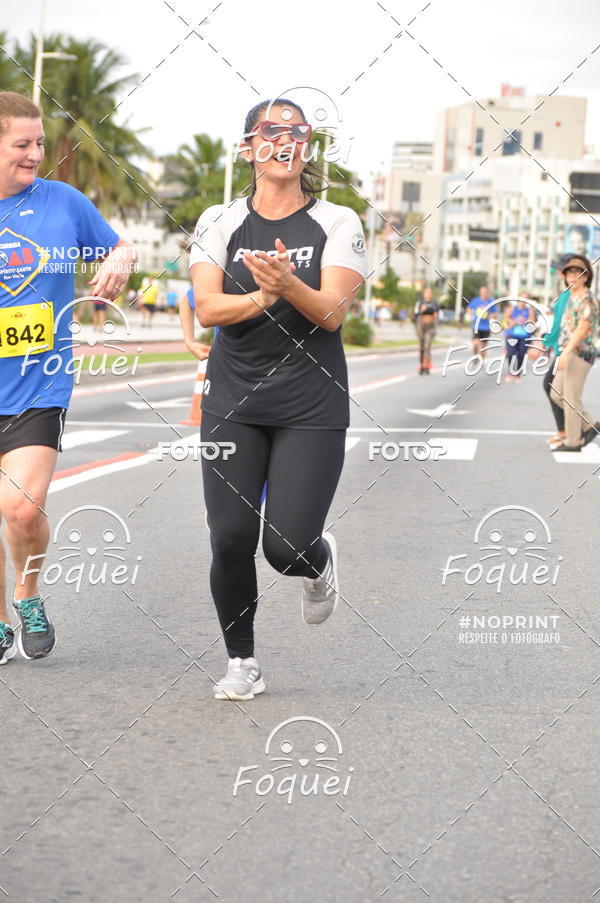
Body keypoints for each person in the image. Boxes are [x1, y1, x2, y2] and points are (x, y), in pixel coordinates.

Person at [189, 97, 366, 701]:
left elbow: (336, 313)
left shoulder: (338, 222)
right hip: (233, 401)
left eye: (297, 133)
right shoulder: (218, 221)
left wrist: (288, 282)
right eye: (271, 131)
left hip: (310, 405)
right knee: (230, 537)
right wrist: (264, 299)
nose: (285, 141)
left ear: (307, 148)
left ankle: (317, 562)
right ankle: (243, 662)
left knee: (286, 548)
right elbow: (209, 309)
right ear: (248, 148)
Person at [0, 91, 134, 664]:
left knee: (21, 509)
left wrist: (119, 257)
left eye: (39, 143)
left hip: (38, 382)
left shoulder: (63, 202)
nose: (35, 155)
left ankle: (27, 592)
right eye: (21, 145)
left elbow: (118, 245)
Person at [550, 255, 600, 451]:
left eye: (578, 273)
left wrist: (567, 353)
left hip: (579, 353)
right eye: (569, 273)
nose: (573, 277)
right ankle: (589, 424)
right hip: (569, 352)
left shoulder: (587, 298)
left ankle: (572, 442)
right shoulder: (571, 297)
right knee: (556, 393)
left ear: (585, 277)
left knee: (570, 397)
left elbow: (583, 328)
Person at [504, 297, 531, 382]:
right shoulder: (512, 308)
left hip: (524, 335)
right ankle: (510, 373)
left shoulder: (529, 310)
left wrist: (525, 321)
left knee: (521, 355)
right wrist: (513, 321)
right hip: (512, 334)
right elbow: (506, 319)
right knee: (511, 354)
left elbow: (532, 322)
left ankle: (518, 375)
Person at [466, 286, 498, 358]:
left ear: (487, 293)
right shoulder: (475, 300)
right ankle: (475, 356)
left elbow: (496, 313)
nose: (483, 294)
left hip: (486, 327)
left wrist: (491, 316)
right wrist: (470, 314)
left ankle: (481, 360)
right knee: (475, 343)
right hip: (476, 326)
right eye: (482, 292)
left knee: (483, 347)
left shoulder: (491, 301)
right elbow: (468, 308)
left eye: (485, 292)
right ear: (480, 293)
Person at [413, 287, 438, 374]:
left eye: (430, 292)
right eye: (426, 292)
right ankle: (422, 365)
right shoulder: (420, 303)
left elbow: (436, 313)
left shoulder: (434, 304)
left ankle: (426, 365)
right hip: (421, 326)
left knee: (427, 345)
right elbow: (415, 314)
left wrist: (429, 310)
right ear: (424, 294)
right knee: (422, 347)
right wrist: (421, 311)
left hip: (430, 327)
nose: (428, 294)